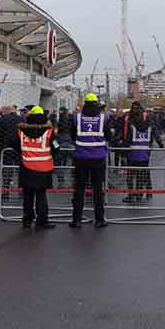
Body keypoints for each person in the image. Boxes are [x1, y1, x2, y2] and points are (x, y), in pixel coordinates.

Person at [70, 93, 113, 228]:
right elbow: (108, 135)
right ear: (96, 103)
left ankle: (76, 220)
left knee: (79, 189)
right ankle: (99, 220)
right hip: (98, 157)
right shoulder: (103, 118)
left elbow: (73, 134)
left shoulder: (77, 117)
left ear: (85, 103)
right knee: (97, 189)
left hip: (81, 157)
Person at [13, 106, 58, 229]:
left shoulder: (21, 131)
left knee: (27, 196)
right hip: (44, 167)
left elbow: (13, 144)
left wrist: (24, 152)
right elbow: (56, 147)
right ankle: (41, 221)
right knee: (41, 196)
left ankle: (27, 219)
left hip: (26, 166)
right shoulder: (49, 131)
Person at [124, 104, 163, 203]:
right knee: (142, 174)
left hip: (132, 153)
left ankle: (131, 194)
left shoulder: (132, 126)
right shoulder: (148, 125)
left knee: (130, 175)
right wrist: (160, 143)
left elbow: (127, 140)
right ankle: (140, 194)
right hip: (145, 153)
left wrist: (121, 148)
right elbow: (155, 133)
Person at [0, 105, 23, 200]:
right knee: (20, 171)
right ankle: (22, 192)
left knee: (6, 172)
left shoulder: (2, 120)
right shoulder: (21, 119)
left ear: (5, 111)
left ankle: (5, 193)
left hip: (6, 148)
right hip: (19, 148)